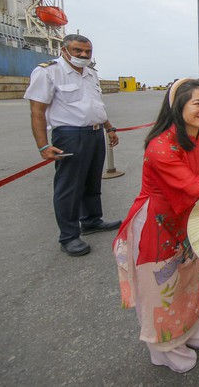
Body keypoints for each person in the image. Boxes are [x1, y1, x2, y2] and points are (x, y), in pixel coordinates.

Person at [113, 79, 199, 374]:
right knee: (162, 286)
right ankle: (163, 348)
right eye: (198, 104)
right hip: (158, 224)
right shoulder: (160, 146)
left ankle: (188, 330)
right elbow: (191, 185)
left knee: (189, 280)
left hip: (189, 219)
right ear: (178, 107)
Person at [24, 34, 121, 257]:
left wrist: (109, 127)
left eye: (87, 52)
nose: (83, 55)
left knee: (91, 181)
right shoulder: (48, 71)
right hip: (69, 135)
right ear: (64, 50)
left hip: (95, 133)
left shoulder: (90, 74)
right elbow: (37, 111)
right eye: (78, 51)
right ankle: (68, 236)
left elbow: (95, 105)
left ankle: (91, 221)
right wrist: (43, 146)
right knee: (69, 186)